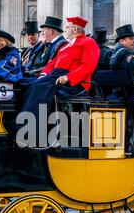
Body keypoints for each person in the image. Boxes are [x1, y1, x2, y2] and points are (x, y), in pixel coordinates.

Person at [14, 16, 100, 145]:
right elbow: (52, 63)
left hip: (73, 81)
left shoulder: (88, 42)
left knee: (39, 87)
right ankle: (22, 121)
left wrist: (69, 77)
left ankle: (29, 130)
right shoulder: (68, 44)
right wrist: (43, 74)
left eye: (67, 27)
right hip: (56, 75)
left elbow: (88, 66)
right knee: (25, 83)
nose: (65, 30)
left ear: (75, 29)